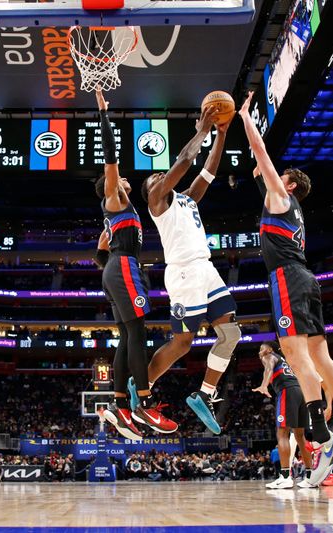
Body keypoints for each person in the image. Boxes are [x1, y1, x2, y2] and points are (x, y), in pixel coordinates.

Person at [238, 91, 333, 487]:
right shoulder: (288, 208)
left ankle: (323, 437)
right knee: (320, 356)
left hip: (287, 278)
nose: (273, 177)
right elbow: (263, 172)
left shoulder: (282, 196)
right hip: (306, 279)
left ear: (292, 184)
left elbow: (262, 154)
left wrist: (247, 118)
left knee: (297, 358)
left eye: (281, 176)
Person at [139, 106, 242, 434]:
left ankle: (204, 394)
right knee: (183, 343)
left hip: (206, 270)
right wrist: (202, 130)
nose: (159, 177)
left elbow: (208, 172)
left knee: (232, 333)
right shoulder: (157, 201)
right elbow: (184, 161)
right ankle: (141, 387)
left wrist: (221, 135)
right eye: (155, 177)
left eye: (160, 175)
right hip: (183, 273)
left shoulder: (186, 199)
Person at [93, 88, 177, 437]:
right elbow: (111, 157)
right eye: (118, 177)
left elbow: (99, 252)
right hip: (124, 267)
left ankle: (120, 404)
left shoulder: (114, 218)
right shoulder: (114, 200)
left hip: (117, 268)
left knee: (128, 336)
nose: (124, 177)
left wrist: (109, 269)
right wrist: (103, 113)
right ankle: (144, 403)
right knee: (137, 333)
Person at [253, 342, 314, 489]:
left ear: (271, 349)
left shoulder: (269, 356)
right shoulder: (284, 361)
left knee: (282, 433)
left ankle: (286, 477)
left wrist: (264, 385)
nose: (261, 351)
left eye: (263, 348)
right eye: (259, 349)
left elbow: (268, 368)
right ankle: (311, 477)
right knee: (300, 436)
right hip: (301, 392)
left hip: (287, 392)